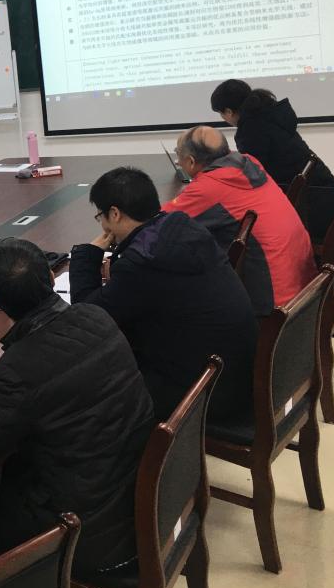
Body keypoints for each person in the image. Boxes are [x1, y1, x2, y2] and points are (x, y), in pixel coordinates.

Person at [0, 238, 153, 585]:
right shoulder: (95, 316)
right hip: (136, 497)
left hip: (85, 532)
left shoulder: (19, 369)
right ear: (52, 278)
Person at [69, 166, 257, 423]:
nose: (102, 224)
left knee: (86, 392)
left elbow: (88, 319)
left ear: (115, 213)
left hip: (206, 395)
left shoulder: (144, 261)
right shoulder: (183, 227)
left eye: (101, 216)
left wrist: (87, 254)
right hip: (236, 374)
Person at [164, 126, 316, 316]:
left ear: (191, 161)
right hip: (305, 284)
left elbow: (156, 223)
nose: (178, 161)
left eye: (178, 154)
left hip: (273, 301)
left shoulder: (209, 188)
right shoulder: (249, 162)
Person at [210, 79, 334, 188]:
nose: (223, 118)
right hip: (321, 183)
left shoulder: (251, 130)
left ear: (229, 111)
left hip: (308, 195)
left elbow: (253, 173)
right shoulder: (271, 114)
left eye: (221, 114)